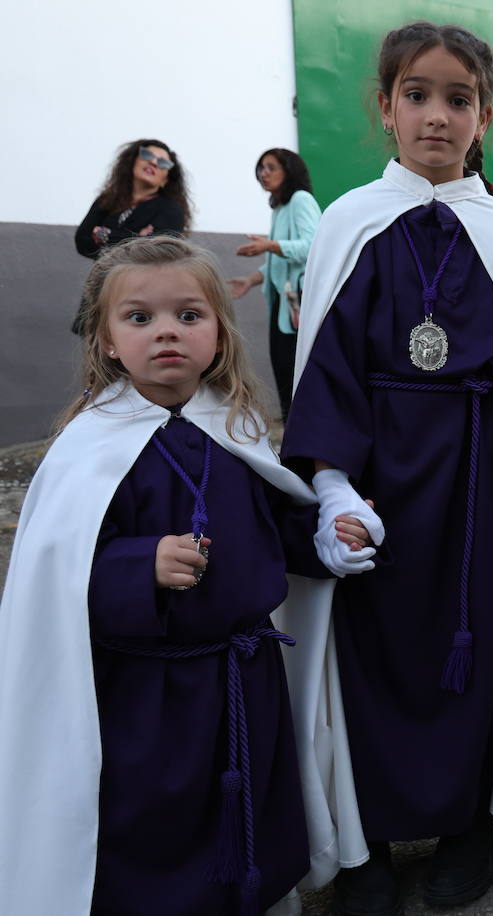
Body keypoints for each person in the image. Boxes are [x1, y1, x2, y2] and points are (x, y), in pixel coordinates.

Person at [280, 20, 493, 913]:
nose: (437, 116)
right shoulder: (349, 224)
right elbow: (325, 360)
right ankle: (365, 845)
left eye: (458, 99)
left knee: (474, 643)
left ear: (484, 115)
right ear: (384, 108)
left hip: (479, 477)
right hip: (378, 476)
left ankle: (461, 827)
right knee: (370, 654)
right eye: (418, 96)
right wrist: (328, 488)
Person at [0, 236, 361, 914]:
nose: (167, 331)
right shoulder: (86, 449)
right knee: (159, 835)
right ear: (106, 340)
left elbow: (276, 530)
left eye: (189, 316)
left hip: (244, 681)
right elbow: (59, 582)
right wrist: (143, 567)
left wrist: (327, 539)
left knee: (251, 818)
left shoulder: (238, 428)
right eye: (139, 318)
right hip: (148, 695)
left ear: (220, 333)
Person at [228, 149, 322, 420]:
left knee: (296, 371)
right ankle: (293, 434)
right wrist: (251, 279)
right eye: (260, 168)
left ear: (289, 170)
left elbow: (313, 246)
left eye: (270, 167)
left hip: (300, 301)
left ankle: (303, 435)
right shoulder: (280, 207)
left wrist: (268, 245)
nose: (263, 173)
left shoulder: (300, 200)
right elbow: (280, 261)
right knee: (283, 370)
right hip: (283, 301)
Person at [72, 138, 192, 333]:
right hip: (100, 293)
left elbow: (153, 253)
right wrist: (136, 237)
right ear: (132, 161)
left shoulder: (170, 210)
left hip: (143, 298)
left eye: (163, 163)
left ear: (166, 179)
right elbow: (82, 240)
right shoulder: (107, 201)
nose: (153, 162)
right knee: (96, 358)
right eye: (147, 155)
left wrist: (102, 234)